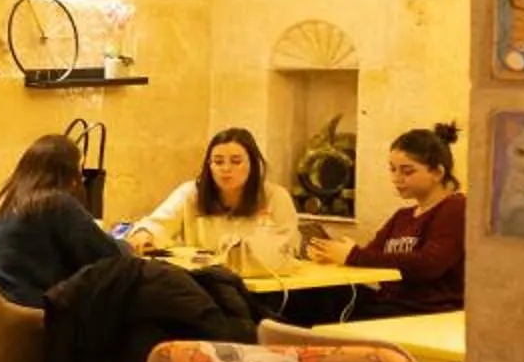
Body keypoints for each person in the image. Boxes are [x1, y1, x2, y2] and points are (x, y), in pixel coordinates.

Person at [306, 122, 466, 313]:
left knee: (322, 308)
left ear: (438, 173)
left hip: (423, 309)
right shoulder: (402, 217)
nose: (396, 178)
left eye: (407, 171)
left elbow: (430, 264)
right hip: (389, 301)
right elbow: (372, 256)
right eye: (392, 169)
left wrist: (353, 255)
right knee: (312, 295)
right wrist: (334, 254)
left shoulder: (455, 208)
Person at [125, 126, 300, 275]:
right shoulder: (191, 193)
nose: (226, 169)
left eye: (236, 161)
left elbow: (288, 247)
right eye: (218, 161)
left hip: (264, 283)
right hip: (206, 282)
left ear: (252, 164)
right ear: (209, 166)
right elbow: (160, 223)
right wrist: (145, 234)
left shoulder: (275, 196)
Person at [0, 133, 118, 310]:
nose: (80, 179)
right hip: (33, 313)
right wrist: (130, 245)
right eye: (78, 171)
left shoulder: (4, 200)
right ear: (68, 172)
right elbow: (109, 255)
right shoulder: (54, 203)